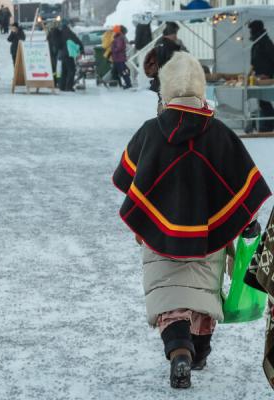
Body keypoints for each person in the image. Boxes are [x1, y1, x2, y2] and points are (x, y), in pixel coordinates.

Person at [112, 51, 271, 389]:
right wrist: (244, 223)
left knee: (169, 296)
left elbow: (126, 177)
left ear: (166, 89)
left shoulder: (150, 131)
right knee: (202, 294)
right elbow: (241, 187)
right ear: (199, 88)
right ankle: (198, 352)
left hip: (159, 235)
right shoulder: (219, 133)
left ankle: (178, 351)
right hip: (209, 237)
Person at [249, 20, 274, 132]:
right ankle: (265, 124)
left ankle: (268, 125)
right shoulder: (257, 44)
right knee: (262, 101)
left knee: (264, 101)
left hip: (266, 78)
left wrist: (270, 77)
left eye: (251, 30)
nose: (250, 32)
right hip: (257, 77)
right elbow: (253, 63)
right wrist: (250, 73)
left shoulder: (267, 43)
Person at [58, 20, 84, 92]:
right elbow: (76, 39)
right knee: (71, 70)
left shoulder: (60, 32)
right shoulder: (67, 32)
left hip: (62, 54)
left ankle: (62, 86)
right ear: (67, 25)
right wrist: (81, 48)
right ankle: (69, 87)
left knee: (64, 71)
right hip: (68, 54)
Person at [111, 25, 132, 89]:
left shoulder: (119, 38)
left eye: (114, 31)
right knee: (120, 71)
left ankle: (128, 84)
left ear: (117, 31)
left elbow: (119, 47)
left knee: (123, 71)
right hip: (118, 58)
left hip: (119, 58)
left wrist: (113, 49)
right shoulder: (119, 37)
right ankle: (125, 83)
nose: (113, 32)